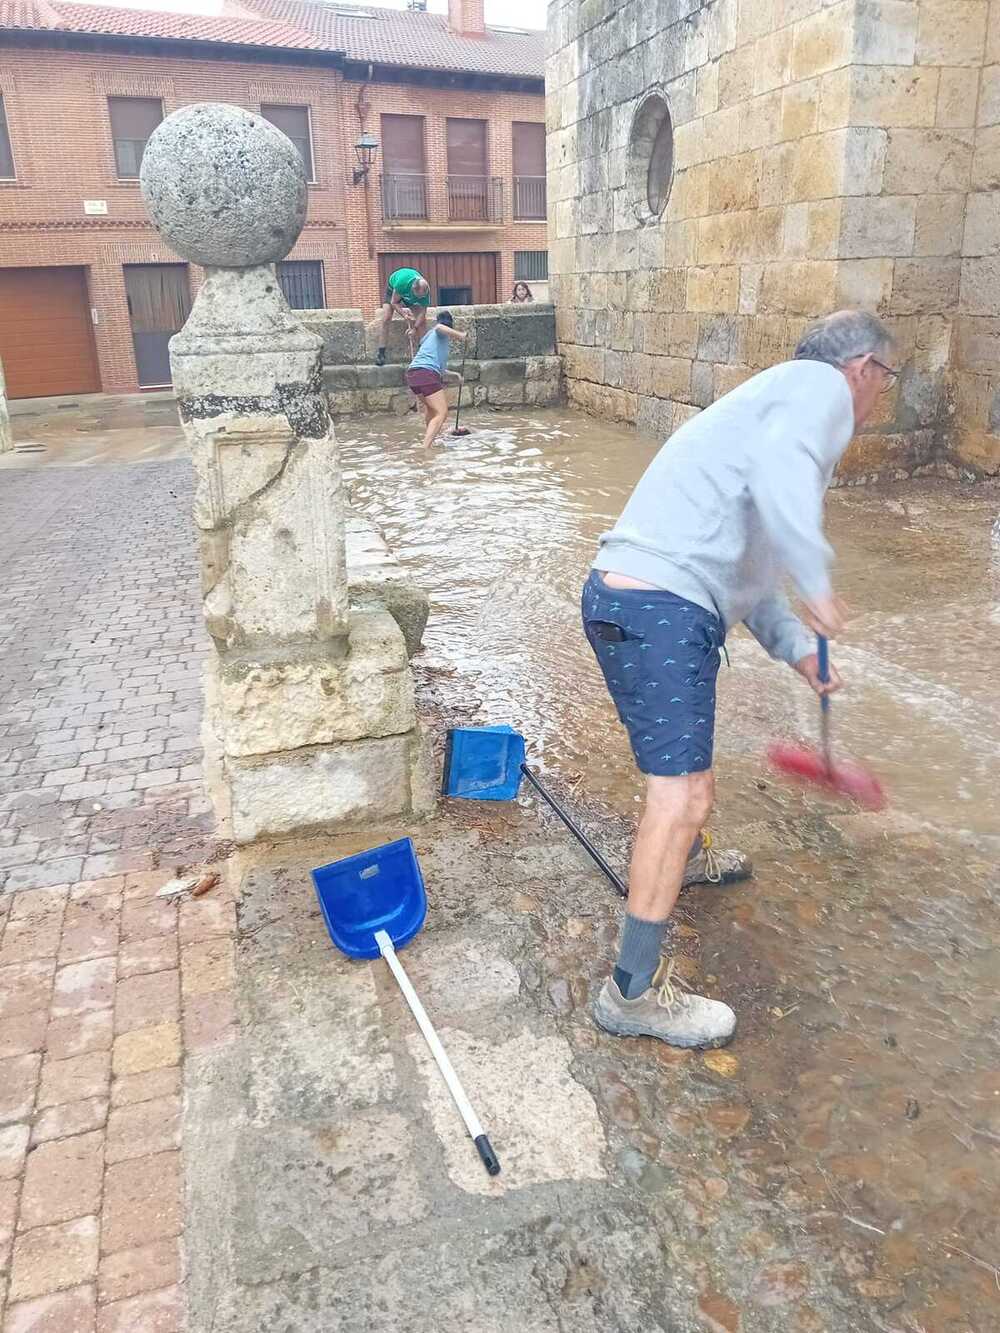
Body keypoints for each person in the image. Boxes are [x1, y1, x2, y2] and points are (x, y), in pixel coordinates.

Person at [582, 309, 898, 1050]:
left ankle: (684, 864)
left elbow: (751, 580)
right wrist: (819, 580)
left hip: (641, 603)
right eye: (886, 379)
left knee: (691, 788)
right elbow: (786, 507)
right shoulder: (816, 394)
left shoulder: (770, 409)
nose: (881, 396)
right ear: (862, 368)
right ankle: (629, 993)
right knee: (681, 794)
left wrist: (800, 650)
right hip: (659, 608)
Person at [404, 310, 468, 448]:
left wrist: (456, 375)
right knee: (442, 413)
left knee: (432, 410)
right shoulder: (438, 331)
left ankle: (430, 441)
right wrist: (461, 335)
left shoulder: (430, 339)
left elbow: (441, 371)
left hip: (413, 374)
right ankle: (425, 447)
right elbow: (439, 327)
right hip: (425, 373)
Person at [376, 267, 431, 366]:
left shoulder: (425, 291)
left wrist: (414, 328)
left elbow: (423, 313)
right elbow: (394, 302)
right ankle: (381, 353)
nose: (420, 299)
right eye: (418, 296)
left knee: (422, 322)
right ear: (413, 289)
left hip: (408, 295)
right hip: (393, 289)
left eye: (422, 297)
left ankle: (424, 354)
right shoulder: (402, 284)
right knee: (386, 318)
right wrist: (404, 314)